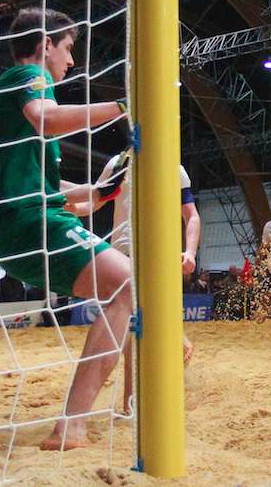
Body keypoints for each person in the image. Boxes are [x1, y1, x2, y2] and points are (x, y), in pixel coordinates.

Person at [0, 7, 132, 449]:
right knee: (126, 285)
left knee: (124, 287)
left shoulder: (8, 103)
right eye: (69, 48)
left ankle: (87, 412)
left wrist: (97, 193)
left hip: (21, 224)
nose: (72, 62)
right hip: (27, 224)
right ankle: (72, 423)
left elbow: (51, 190)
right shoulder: (28, 79)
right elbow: (47, 117)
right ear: (45, 46)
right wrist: (124, 105)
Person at [70, 151, 200, 364]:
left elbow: (191, 215)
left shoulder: (174, 169)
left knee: (141, 319)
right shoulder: (118, 163)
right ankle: (174, 346)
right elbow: (95, 201)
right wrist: (76, 208)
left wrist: (191, 252)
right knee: (130, 320)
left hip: (158, 253)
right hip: (121, 251)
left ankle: (172, 352)